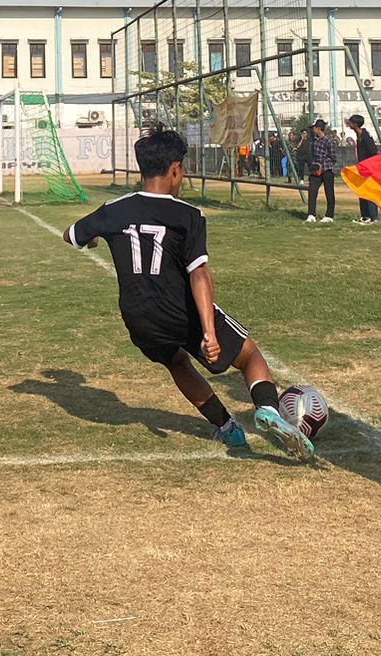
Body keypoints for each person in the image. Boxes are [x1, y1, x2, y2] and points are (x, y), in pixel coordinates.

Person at [63, 127, 315, 459]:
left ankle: (228, 429)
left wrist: (94, 238)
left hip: (138, 317)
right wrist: (209, 333)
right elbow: (199, 273)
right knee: (250, 355)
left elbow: (71, 235)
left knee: (177, 363)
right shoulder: (188, 215)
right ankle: (267, 408)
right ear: (175, 169)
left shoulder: (114, 209)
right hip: (179, 311)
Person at [302, 119, 339, 224]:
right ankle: (311, 214)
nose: (312, 130)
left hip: (327, 169)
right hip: (315, 169)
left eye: (314, 128)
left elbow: (333, 156)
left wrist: (324, 165)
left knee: (329, 192)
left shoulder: (328, 140)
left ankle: (329, 215)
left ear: (318, 128)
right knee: (312, 190)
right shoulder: (314, 141)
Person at [347, 114, 380, 224]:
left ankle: (373, 217)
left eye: (351, 122)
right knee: (361, 192)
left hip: (369, 169)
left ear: (355, 124)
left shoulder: (366, 137)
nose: (349, 124)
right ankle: (365, 215)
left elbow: (373, 152)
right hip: (361, 168)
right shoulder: (359, 136)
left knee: (369, 193)